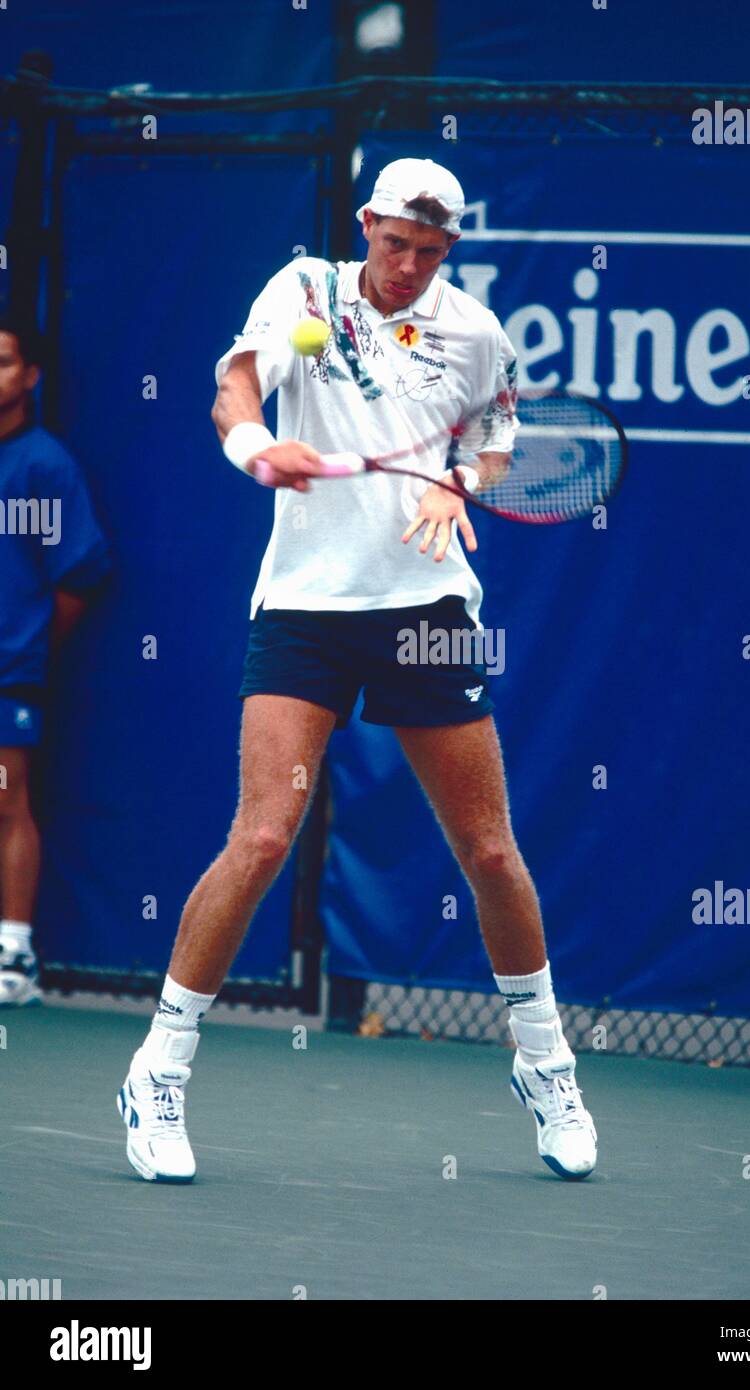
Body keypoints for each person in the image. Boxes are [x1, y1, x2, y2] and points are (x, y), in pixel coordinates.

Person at [116, 157, 597, 1183]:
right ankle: (159, 1068)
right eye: (394, 245)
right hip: (304, 611)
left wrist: (458, 484)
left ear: (449, 250)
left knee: (490, 851)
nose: (408, 267)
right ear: (365, 223)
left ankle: (546, 1063)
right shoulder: (303, 292)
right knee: (261, 836)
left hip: (424, 605)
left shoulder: (475, 333)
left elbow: (499, 441)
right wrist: (256, 450)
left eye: (429, 253)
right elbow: (233, 388)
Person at [0, 318, 112, 1005]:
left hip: (8, 671)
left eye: (4, 362)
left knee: (7, 800)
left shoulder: (45, 466)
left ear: (30, 377)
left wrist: (25, 646)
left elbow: (81, 576)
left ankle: (14, 955)